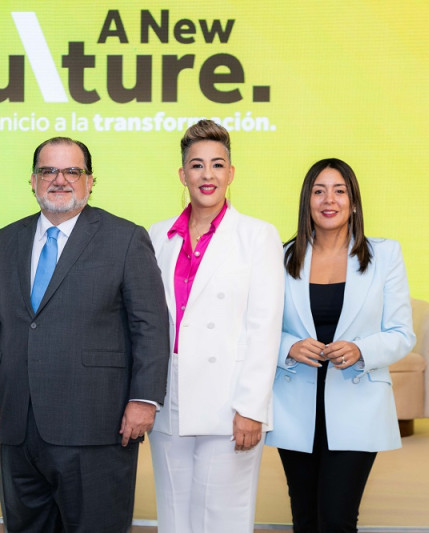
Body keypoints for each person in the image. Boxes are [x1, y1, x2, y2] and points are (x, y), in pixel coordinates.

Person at [0, 137, 169, 533]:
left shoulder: (125, 238)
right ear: (32, 181)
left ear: (90, 181)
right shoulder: (4, 240)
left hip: (97, 425)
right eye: (48, 170)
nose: (59, 180)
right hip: (19, 426)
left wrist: (144, 398)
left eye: (72, 171)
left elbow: (150, 325)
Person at [147, 119, 285, 533]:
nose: (207, 175)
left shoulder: (258, 236)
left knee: (222, 518)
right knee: (173, 514)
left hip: (229, 403)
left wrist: (251, 408)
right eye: (197, 165)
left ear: (231, 173)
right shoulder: (158, 236)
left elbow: (264, 327)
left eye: (217, 165)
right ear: (182, 174)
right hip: (169, 397)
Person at [265, 158, 416, 532]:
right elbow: (258, 327)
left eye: (339, 190)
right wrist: (289, 347)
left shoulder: (385, 255)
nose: (328, 200)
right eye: (318, 191)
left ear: (354, 201)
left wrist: (362, 349)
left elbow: (402, 332)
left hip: (358, 405)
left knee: (336, 518)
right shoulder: (279, 257)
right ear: (307, 201)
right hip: (295, 406)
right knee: (305, 518)